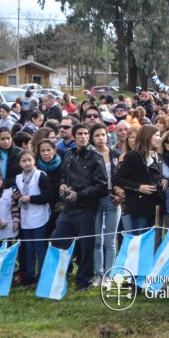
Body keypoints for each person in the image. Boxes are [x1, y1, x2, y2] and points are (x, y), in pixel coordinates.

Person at [52, 122, 108, 291]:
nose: (83, 137)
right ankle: (58, 275)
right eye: (80, 134)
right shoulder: (68, 154)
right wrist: (62, 184)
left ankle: (83, 281)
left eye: (85, 134)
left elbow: (102, 186)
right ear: (74, 137)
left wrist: (80, 194)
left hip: (87, 208)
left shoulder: (95, 157)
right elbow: (63, 175)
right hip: (68, 208)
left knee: (86, 247)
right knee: (57, 240)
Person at [114, 124, 169, 233]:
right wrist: (138, 187)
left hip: (157, 206)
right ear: (147, 136)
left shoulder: (155, 155)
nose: (160, 138)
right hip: (140, 208)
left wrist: (166, 181)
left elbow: (158, 176)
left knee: (156, 243)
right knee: (141, 242)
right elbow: (117, 178)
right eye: (157, 135)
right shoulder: (133, 156)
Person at [13, 153, 54, 286]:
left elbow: (48, 195)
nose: (27, 163)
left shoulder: (40, 175)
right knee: (29, 248)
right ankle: (30, 275)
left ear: (34, 160)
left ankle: (41, 274)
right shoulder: (18, 178)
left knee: (39, 247)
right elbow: (17, 196)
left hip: (39, 215)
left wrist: (31, 199)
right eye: (24, 161)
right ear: (19, 163)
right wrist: (15, 196)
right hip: (25, 217)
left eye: (29, 160)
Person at [90, 122, 121, 279]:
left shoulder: (115, 154)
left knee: (110, 240)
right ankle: (98, 273)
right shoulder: (89, 155)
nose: (101, 138)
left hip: (112, 198)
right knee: (97, 240)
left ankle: (109, 273)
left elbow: (120, 177)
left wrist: (119, 193)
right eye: (97, 135)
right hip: (95, 199)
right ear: (92, 138)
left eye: (103, 135)